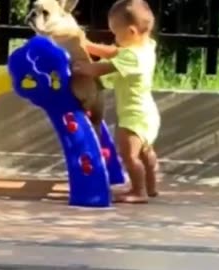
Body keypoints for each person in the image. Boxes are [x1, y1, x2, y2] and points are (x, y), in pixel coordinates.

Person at [73, 0, 160, 203]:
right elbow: (114, 52)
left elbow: (102, 68)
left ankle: (139, 192)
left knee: (130, 155)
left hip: (133, 116)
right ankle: (151, 186)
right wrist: (88, 46)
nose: (114, 38)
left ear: (131, 31)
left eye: (116, 33)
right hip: (148, 115)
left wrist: (81, 68)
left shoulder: (132, 58)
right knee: (146, 153)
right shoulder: (146, 47)